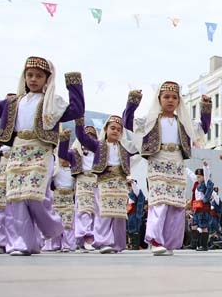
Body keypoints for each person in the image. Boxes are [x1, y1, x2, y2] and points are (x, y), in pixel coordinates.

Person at [0, 57, 84, 256]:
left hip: (41, 151)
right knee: (16, 199)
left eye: (39, 76)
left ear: (47, 79)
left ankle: (53, 226)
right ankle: (22, 244)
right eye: (30, 75)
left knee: (34, 196)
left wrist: (73, 83)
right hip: (18, 151)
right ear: (24, 77)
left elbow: (76, 110)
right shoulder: (13, 103)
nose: (33, 79)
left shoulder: (52, 103)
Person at [134, 81, 211, 256]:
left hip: (176, 163)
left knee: (175, 205)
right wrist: (133, 101)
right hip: (158, 161)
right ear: (159, 99)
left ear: (179, 101)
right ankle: (155, 240)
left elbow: (203, 129)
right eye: (166, 97)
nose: (170, 100)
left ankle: (168, 242)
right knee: (160, 201)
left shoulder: (183, 122)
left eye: (174, 97)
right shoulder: (150, 120)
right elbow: (127, 122)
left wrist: (205, 106)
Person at [76, 108, 139, 254]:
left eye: (118, 129)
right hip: (104, 181)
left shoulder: (125, 148)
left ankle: (117, 243)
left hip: (120, 182)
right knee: (104, 212)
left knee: (119, 215)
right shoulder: (98, 145)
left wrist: (131, 108)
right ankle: (103, 242)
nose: (115, 131)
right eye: (112, 128)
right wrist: (79, 122)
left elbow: (140, 145)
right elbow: (82, 138)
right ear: (105, 129)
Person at [188, 162, 213, 252]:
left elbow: (206, 175)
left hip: (203, 208)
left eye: (199, 177)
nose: (197, 178)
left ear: (203, 177)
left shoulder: (206, 183)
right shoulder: (196, 184)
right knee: (194, 225)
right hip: (197, 208)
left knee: (203, 227)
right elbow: (191, 175)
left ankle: (204, 245)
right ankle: (193, 244)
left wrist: (206, 167)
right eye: (197, 177)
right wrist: (185, 168)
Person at [126, 179, 146, 250]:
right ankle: (131, 244)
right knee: (129, 228)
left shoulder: (136, 192)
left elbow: (136, 189)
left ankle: (135, 245)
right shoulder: (128, 193)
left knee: (135, 228)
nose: (129, 187)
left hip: (134, 212)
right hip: (128, 212)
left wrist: (133, 183)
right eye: (128, 186)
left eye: (130, 186)